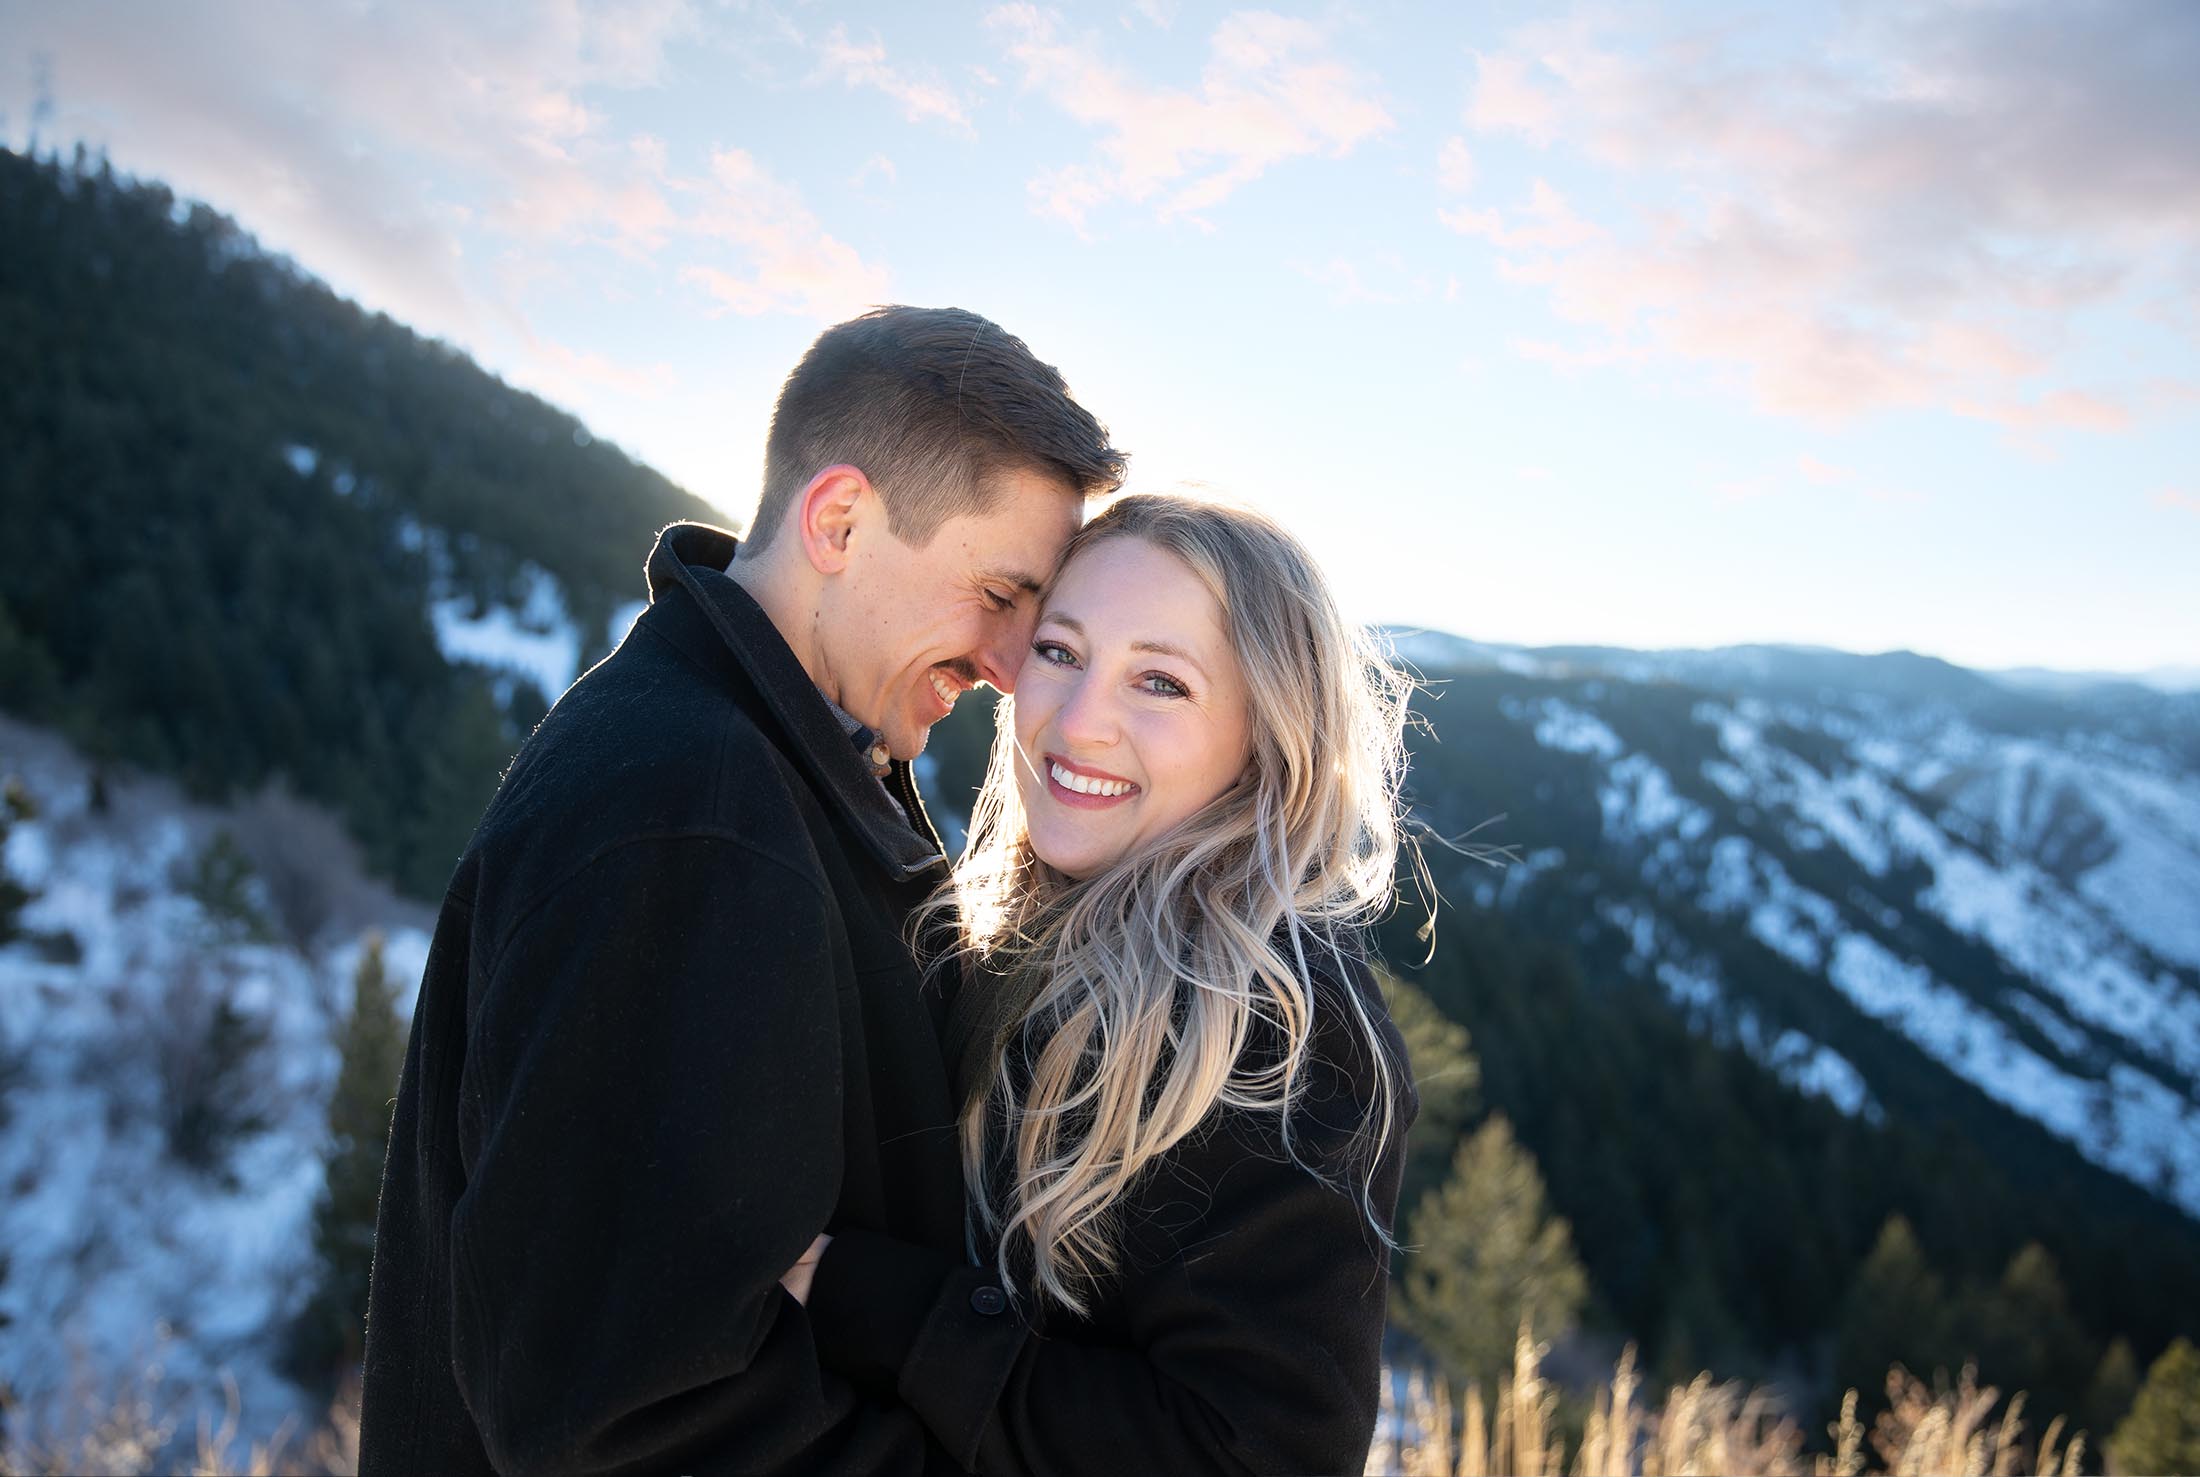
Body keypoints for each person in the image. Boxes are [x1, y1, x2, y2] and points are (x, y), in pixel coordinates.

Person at [357, 306, 1126, 1475]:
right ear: (840, 520)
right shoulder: (691, 809)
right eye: (1001, 593)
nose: (1011, 666)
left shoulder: (779, 759)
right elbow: (630, 1414)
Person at [787, 494, 1420, 1475]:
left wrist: (870, 1304)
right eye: (1060, 652)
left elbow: (1250, 1453)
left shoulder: (1276, 1020)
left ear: (1264, 732)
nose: (1079, 723)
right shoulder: (1001, 933)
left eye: (1159, 682)